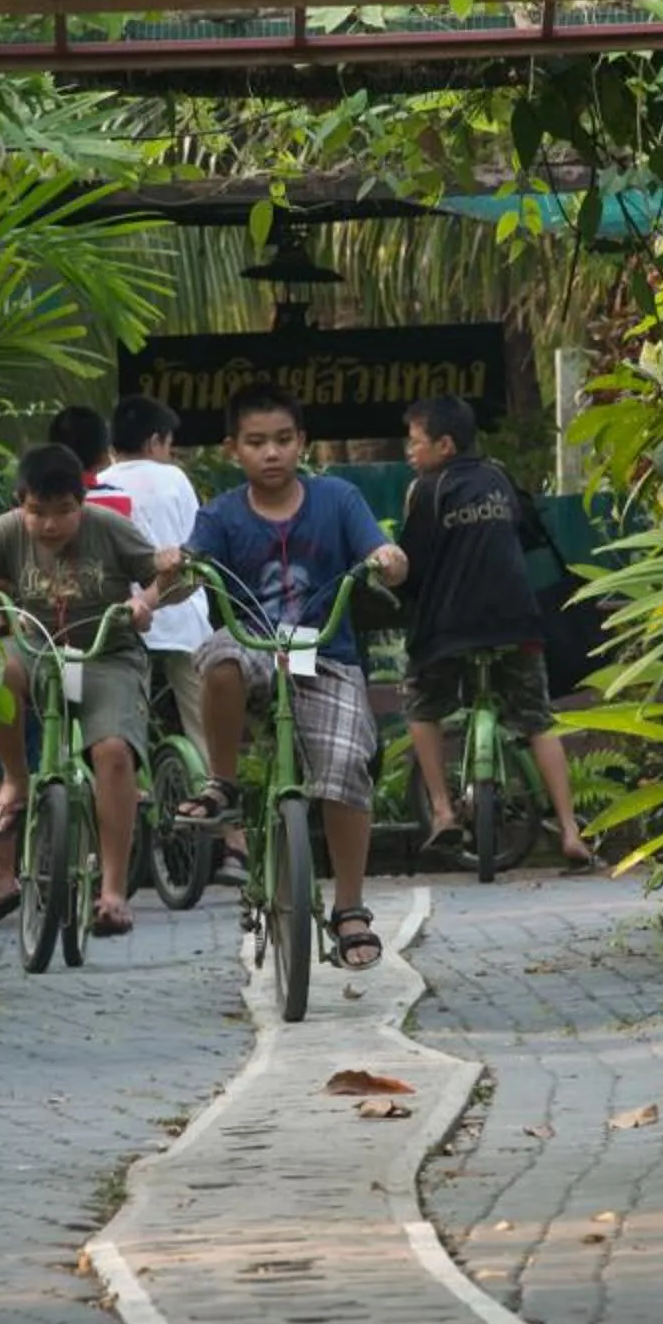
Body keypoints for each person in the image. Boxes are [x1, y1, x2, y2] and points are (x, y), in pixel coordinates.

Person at [181, 384, 408, 970]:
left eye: (283, 440)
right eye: (256, 442)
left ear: (302, 442)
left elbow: (383, 553)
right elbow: (185, 570)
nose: (272, 453)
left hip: (323, 655)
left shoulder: (338, 499)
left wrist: (389, 560)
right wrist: (166, 574)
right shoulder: (221, 514)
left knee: (343, 768)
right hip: (254, 645)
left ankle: (351, 909)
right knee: (218, 655)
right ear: (234, 449)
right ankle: (223, 783)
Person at [0, 443, 178, 936]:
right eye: (37, 512)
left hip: (108, 654)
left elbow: (174, 579)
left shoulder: (111, 529)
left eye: (64, 511)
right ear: (22, 503)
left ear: (82, 503)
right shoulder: (7, 531)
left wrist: (147, 600)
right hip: (38, 651)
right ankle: (17, 781)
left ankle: (113, 891)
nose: (50, 525)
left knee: (113, 754)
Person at [398, 396, 596, 868]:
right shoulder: (499, 479)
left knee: (423, 707)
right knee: (537, 721)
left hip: (449, 630)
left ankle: (444, 812)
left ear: (444, 445)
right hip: (516, 623)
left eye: (415, 442)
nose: (409, 452)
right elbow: (528, 535)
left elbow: (411, 567)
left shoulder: (427, 490)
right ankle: (570, 829)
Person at [98, 395, 213, 756]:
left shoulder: (99, 484)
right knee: (203, 720)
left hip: (124, 618)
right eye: (169, 444)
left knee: (127, 718)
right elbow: (196, 544)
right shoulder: (175, 478)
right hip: (182, 615)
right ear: (153, 442)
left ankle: (135, 787)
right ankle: (213, 788)